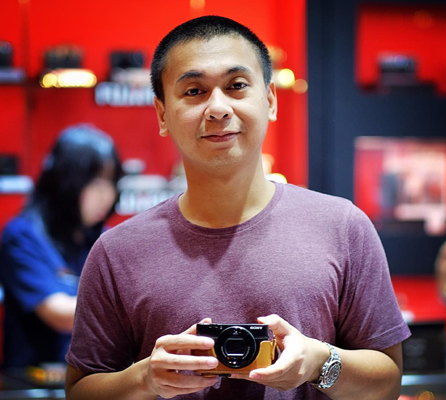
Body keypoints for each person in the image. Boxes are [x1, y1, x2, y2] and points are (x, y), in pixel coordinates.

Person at [65, 16, 411, 400]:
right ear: (162, 114)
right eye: (194, 91)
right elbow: (80, 390)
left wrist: (319, 362)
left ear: (270, 100)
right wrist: (145, 378)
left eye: (237, 86)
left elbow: (388, 382)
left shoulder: (342, 227)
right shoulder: (117, 252)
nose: (218, 108)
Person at [0, 124, 122, 368]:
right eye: (96, 183)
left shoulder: (101, 238)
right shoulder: (22, 236)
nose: (106, 195)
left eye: (112, 183)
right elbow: (59, 313)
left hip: (93, 374)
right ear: (66, 181)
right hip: (34, 380)